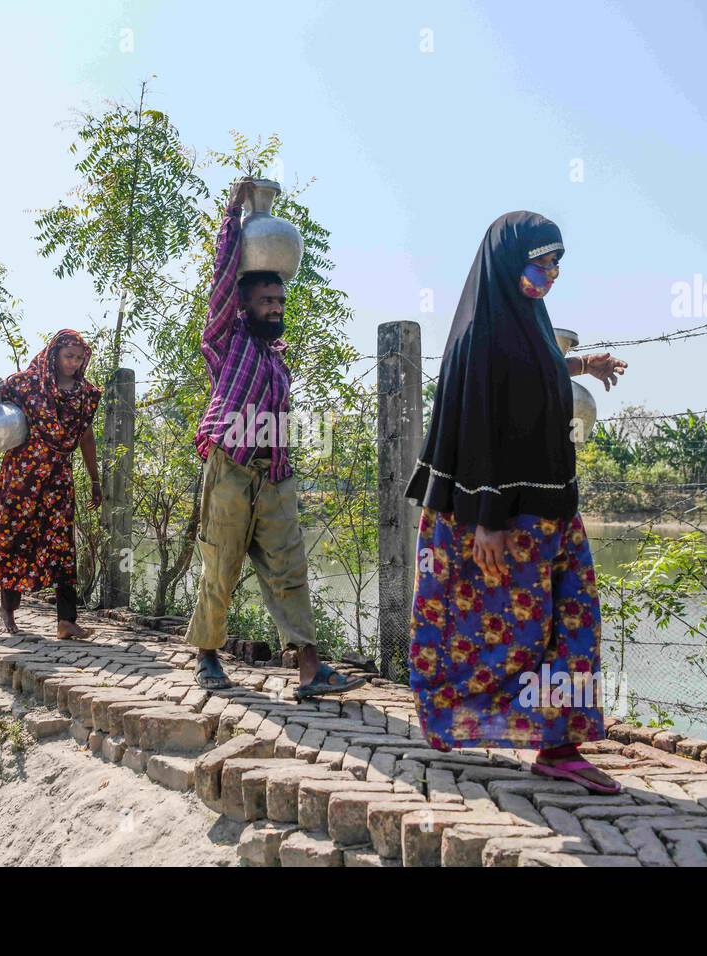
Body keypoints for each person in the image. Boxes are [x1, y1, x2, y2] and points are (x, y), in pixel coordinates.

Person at [405, 211, 629, 795]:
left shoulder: (524, 320)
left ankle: (560, 745)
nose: (551, 273)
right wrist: (487, 522)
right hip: (502, 518)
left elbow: (532, 377)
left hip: (553, 510)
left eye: (557, 263)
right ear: (509, 263)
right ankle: (471, 722)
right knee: (503, 634)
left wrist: (581, 364)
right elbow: (481, 428)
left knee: (570, 624)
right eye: (541, 262)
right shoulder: (480, 334)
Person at [187, 177, 366, 699]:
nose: (276, 307)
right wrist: (232, 214)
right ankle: (207, 656)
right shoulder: (227, 340)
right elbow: (222, 281)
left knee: (291, 570)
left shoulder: (275, 358)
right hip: (231, 466)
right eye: (266, 300)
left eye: (279, 300)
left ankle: (310, 669)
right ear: (244, 304)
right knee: (219, 564)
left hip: (275, 473)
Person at [0, 329, 102, 639]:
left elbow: (86, 436)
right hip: (22, 474)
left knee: (61, 542)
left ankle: (66, 621)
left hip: (57, 476)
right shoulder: (24, 383)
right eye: (68, 356)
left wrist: (95, 479)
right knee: (14, 536)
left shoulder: (85, 393)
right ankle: (7, 611)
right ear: (54, 354)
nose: (74, 363)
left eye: (79, 358)